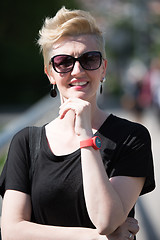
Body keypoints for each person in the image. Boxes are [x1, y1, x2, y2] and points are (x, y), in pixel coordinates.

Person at [0, 6, 155, 240]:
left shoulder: (132, 137)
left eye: (89, 59)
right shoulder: (26, 142)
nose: (78, 70)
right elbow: (11, 231)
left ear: (103, 69)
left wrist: (85, 136)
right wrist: (95, 238)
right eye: (64, 62)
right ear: (50, 74)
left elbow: (106, 220)